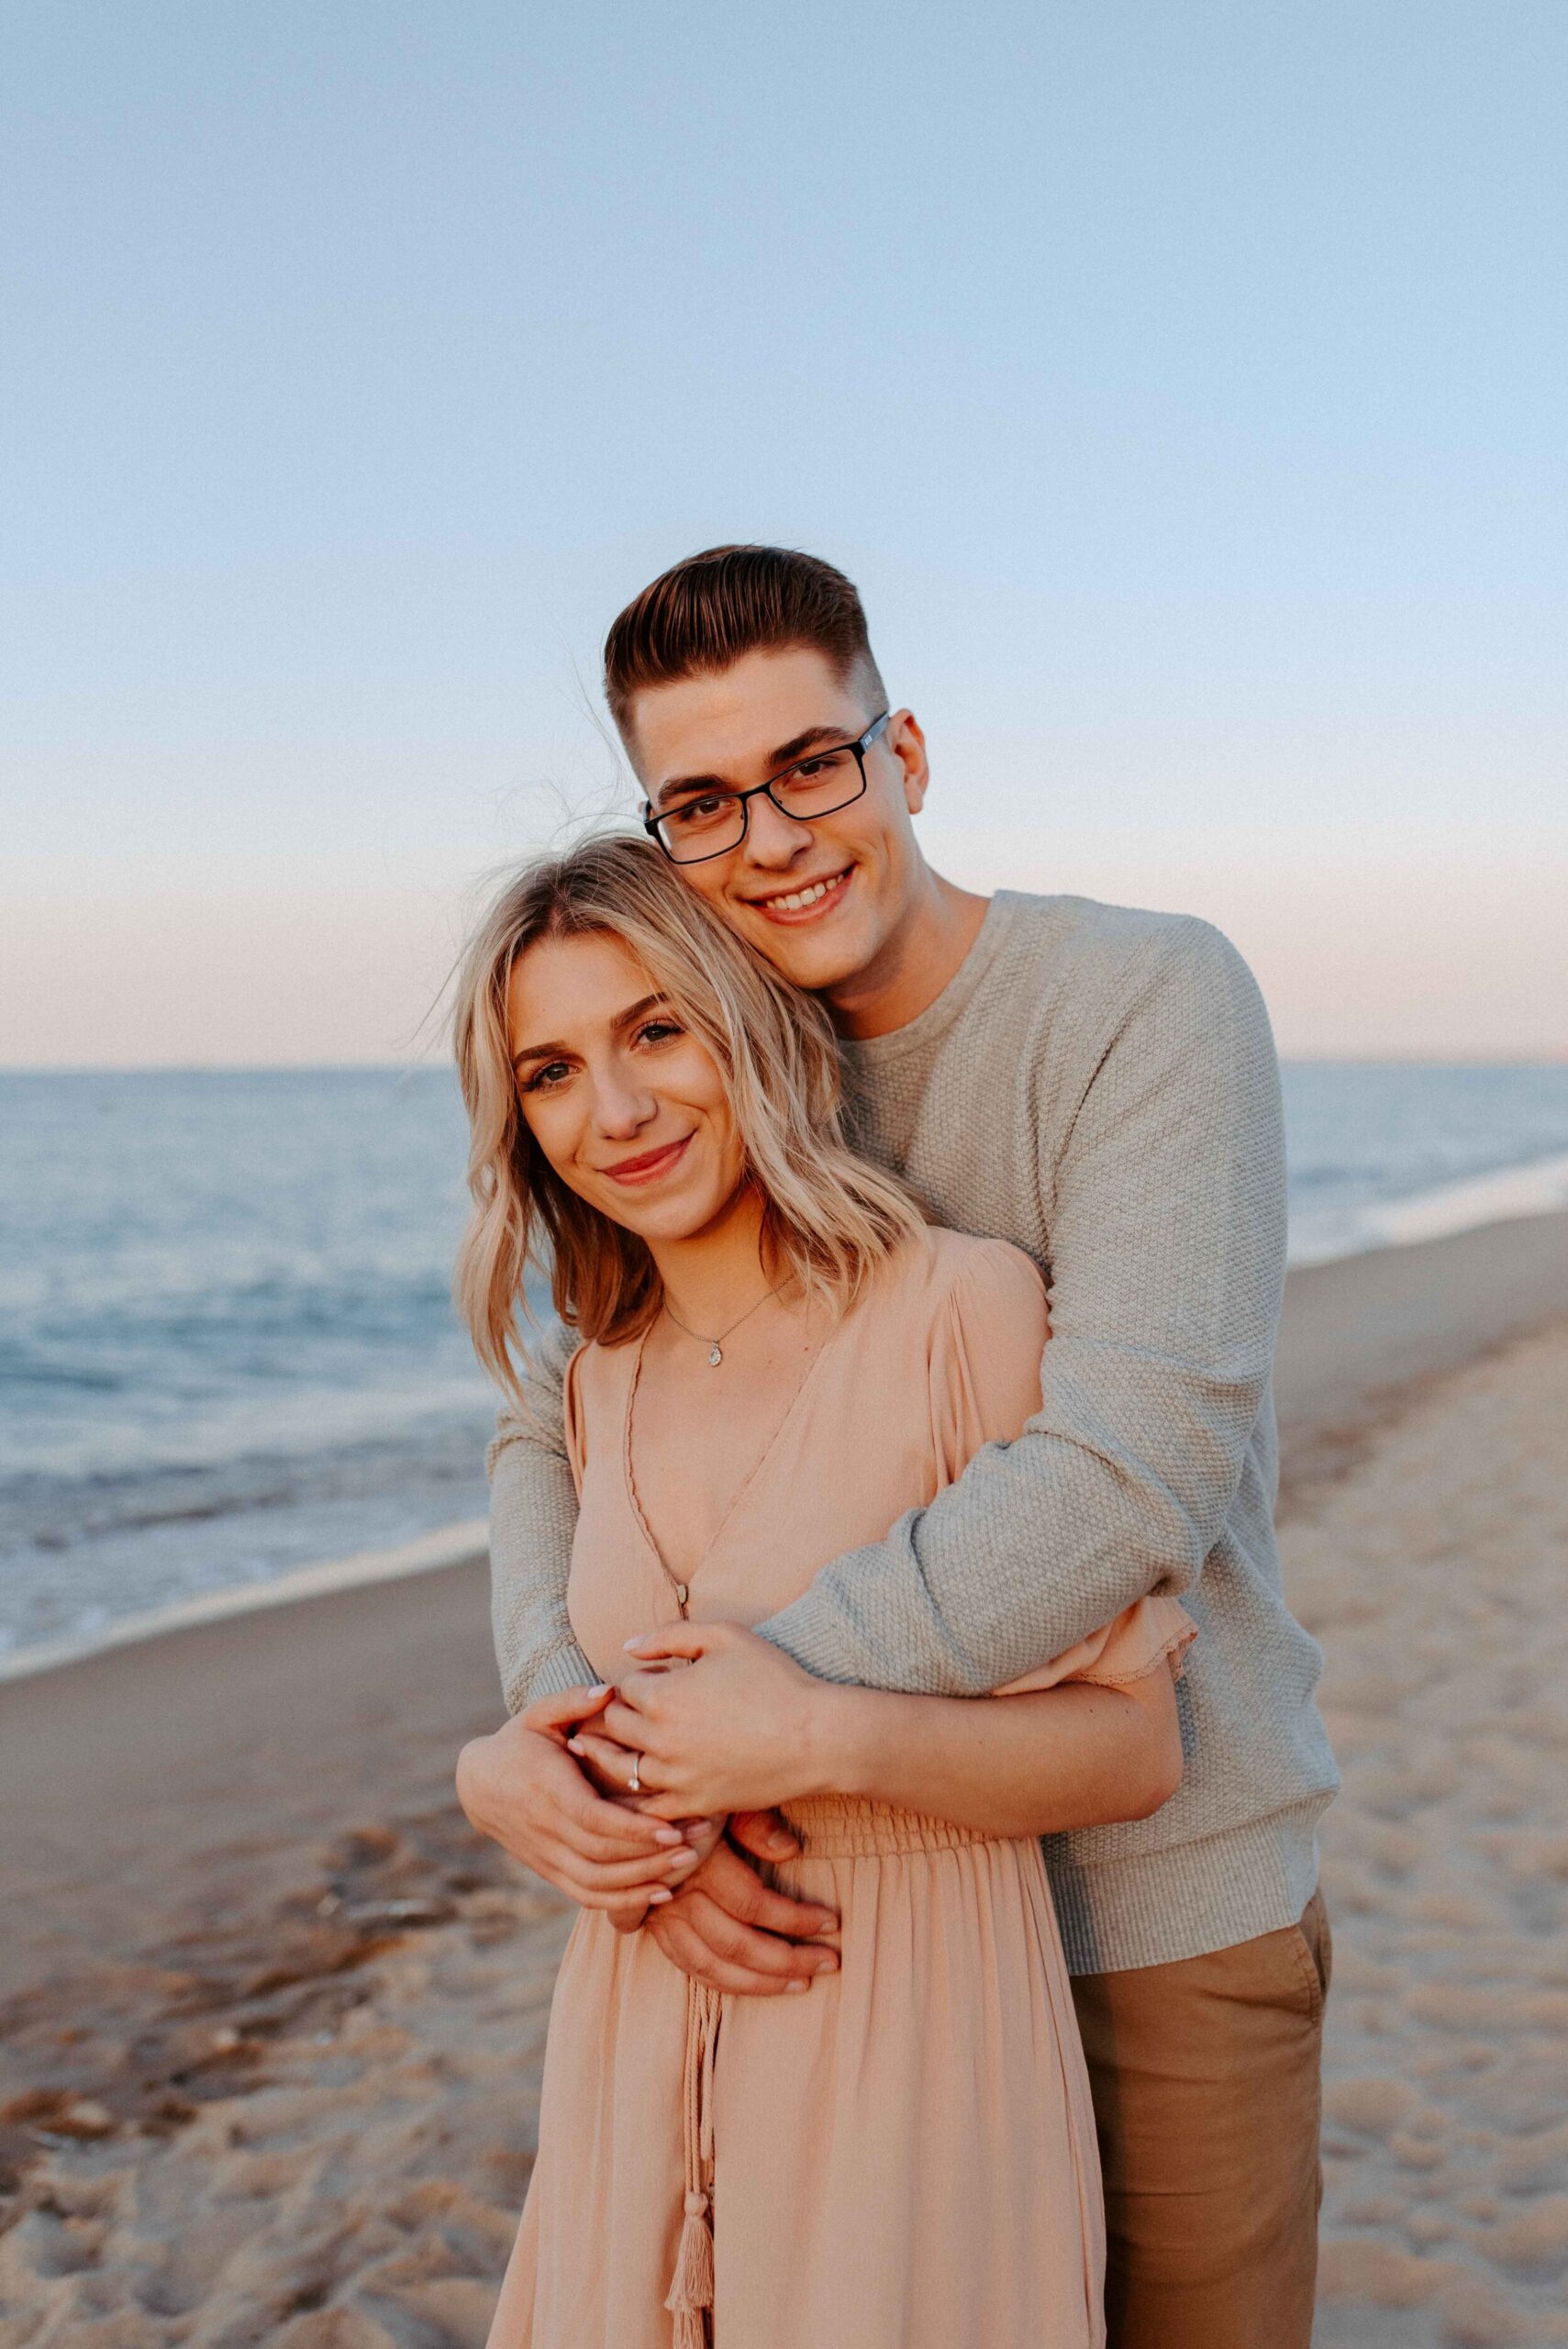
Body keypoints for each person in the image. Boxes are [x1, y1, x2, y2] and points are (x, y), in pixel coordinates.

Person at [459, 546, 1340, 2348]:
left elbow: (1129, 1464)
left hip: (1148, 1900)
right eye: (703, 800)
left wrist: (738, 1726)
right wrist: (578, 1729)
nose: (773, 836)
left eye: (812, 763)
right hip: (819, 1932)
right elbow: (559, 1407)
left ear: (906, 750)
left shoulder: (1139, 1001)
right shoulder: (712, 1049)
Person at [450, 833, 1196, 2347]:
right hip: (630, 2032)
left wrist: (820, 1738)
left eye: (656, 1028)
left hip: (913, 2046)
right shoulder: (594, 1385)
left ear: (743, 1021)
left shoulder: (957, 1309)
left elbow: (1134, 1749)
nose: (616, 1110)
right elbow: (571, 1706)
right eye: (550, 1071)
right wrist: (502, 1776)